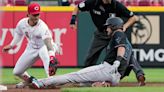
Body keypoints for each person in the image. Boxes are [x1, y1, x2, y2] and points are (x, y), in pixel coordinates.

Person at [30, 17, 140, 89]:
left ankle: (41, 82)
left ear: (114, 26)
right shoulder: (128, 42)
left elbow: (121, 48)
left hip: (108, 69)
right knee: (78, 84)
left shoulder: (118, 34)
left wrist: (117, 62)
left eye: (108, 27)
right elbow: (130, 59)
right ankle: (101, 84)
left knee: (73, 76)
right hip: (115, 77)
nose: (106, 29)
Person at [70, 0, 145, 86]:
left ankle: (140, 76)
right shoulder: (92, 3)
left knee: (127, 53)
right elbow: (77, 7)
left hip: (114, 34)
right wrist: (73, 20)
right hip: (100, 34)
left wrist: (124, 26)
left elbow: (134, 18)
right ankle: (85, 79)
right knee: (90, 57)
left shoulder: (116, 5)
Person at [2, 3, 59, 88]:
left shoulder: (42, 26)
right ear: (28, 14)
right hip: (31, 48)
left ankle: (51, 82)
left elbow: (48, 43)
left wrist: (52, 56)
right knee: (17, 72)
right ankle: (32, 81)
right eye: (34, 14)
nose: (36, 16)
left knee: (45, 57)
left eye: (38, 14)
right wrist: (11, 45)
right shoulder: (22, 23)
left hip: (44, 47)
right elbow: (18, 35)